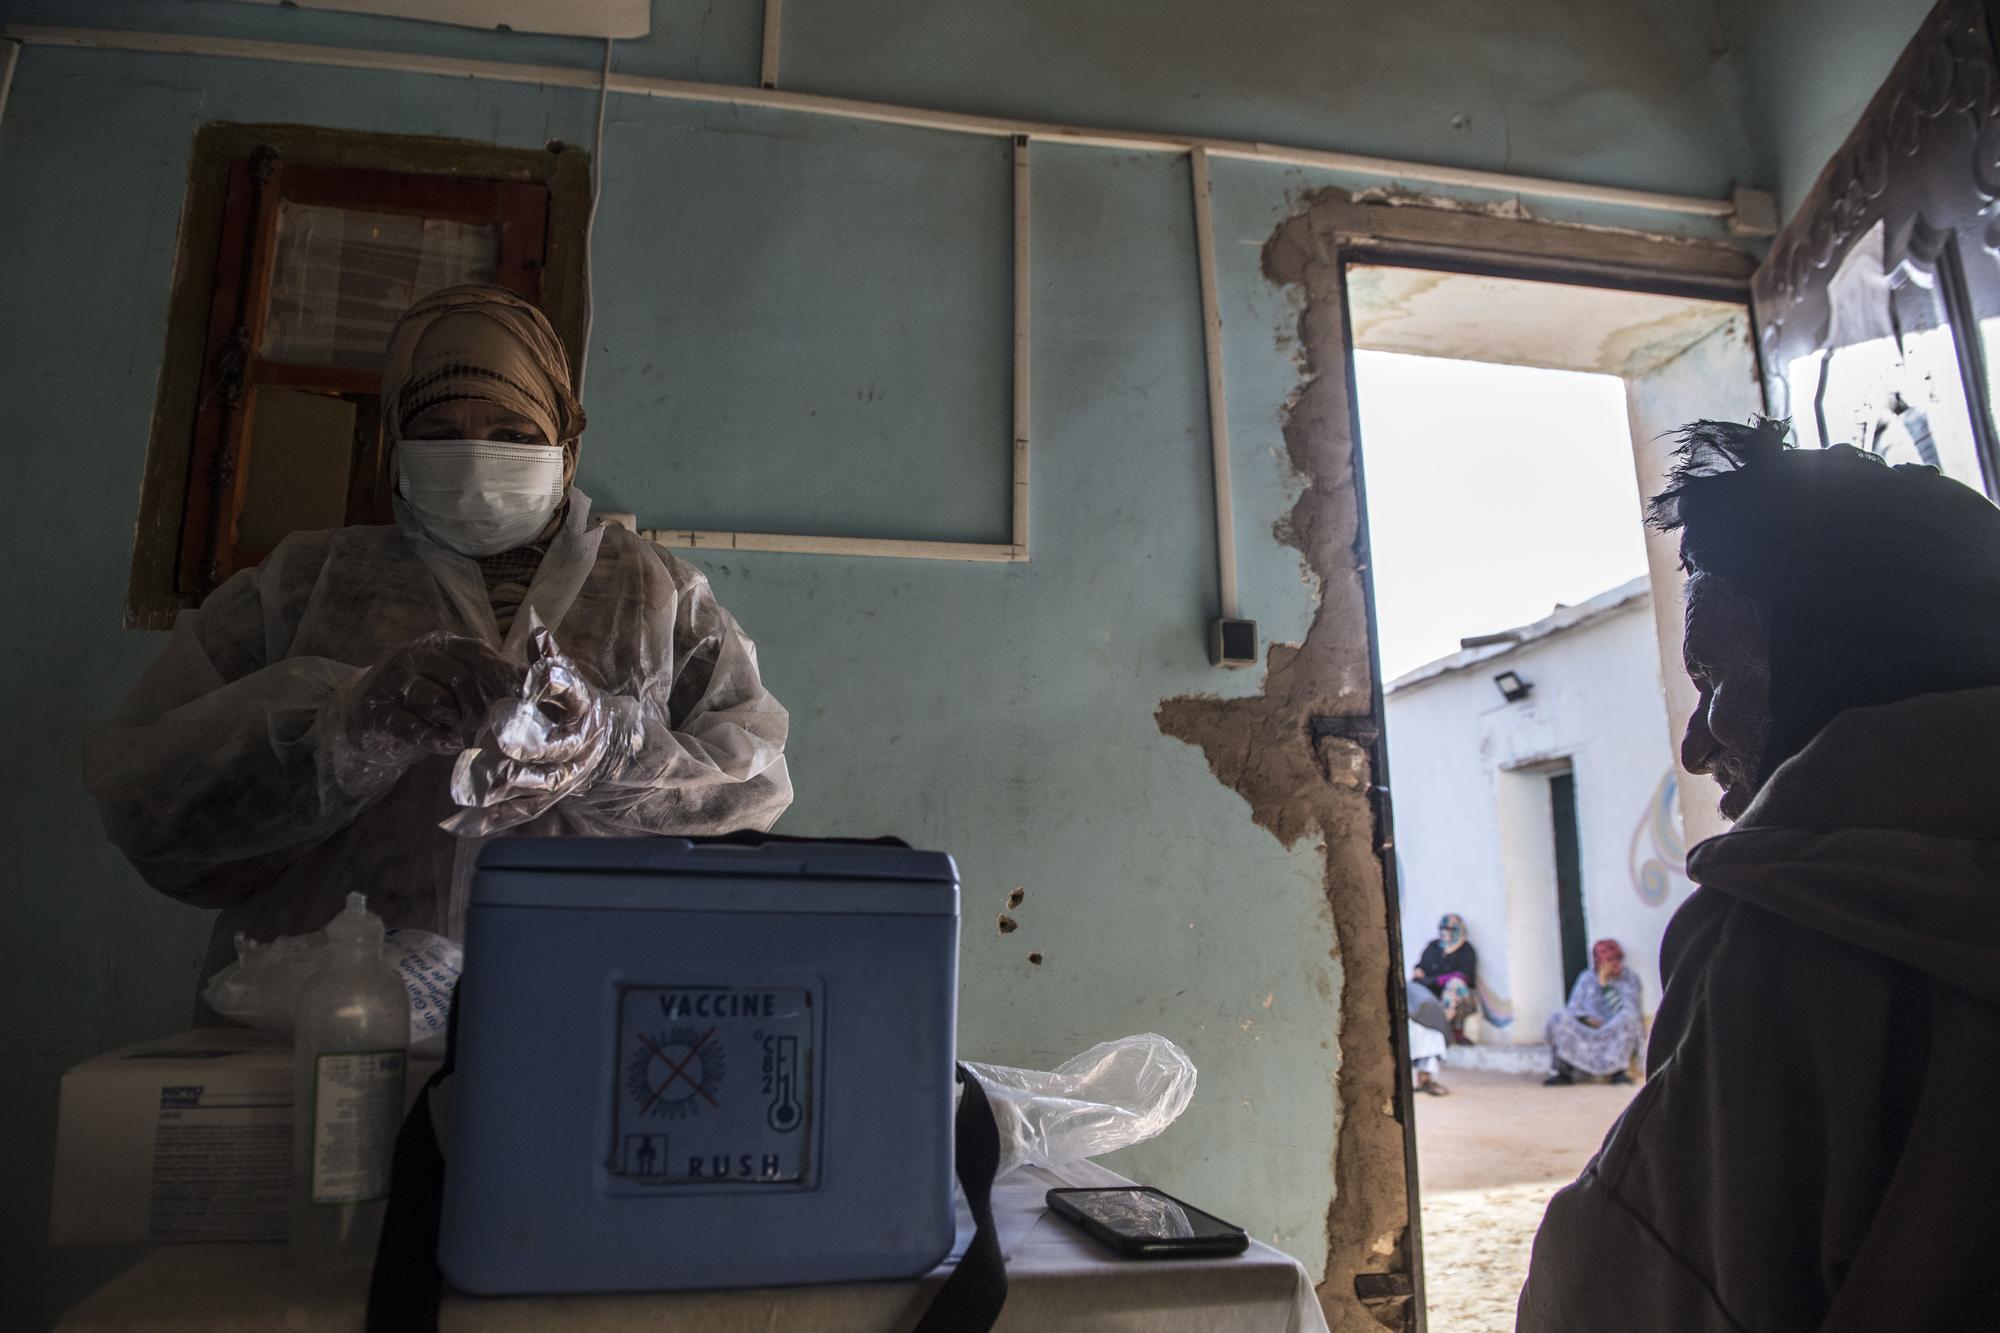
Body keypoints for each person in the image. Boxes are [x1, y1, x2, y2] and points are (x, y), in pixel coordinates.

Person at [88, 286, 793, 990]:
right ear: (395, 447)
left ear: (565, 448)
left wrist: (612, 750)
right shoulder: (306, 581)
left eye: (512, 436)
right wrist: (346, 730)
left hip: (586, 1007)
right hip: (317, 1023)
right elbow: (156, 810)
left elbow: (749, 798)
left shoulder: (654, 593)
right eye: (440, 432)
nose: (477, 458)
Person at [1519, 418, 2000, 1329]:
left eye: (1713, 679)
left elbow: (1630, 1288)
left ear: (1838, 669)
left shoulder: (1792, 937)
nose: (1698, 745)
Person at [1542, 939, 1641, 1086]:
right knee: (1558, 1018)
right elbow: (1574, 1007)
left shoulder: (1629, 979)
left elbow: (1625, 1009)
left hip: (1614, 1028)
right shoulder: (1586, 977)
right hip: (1587, 1028)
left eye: (1612, 959)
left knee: (1628, 1019)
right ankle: (1564, 1072)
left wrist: (1604, 983)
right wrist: (1586, 1019)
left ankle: (1618, 1073)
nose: (1608, 964)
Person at [1412, 913, 1479, 1039]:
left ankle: (1449, 1030)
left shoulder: (1466, 950)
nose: (1445, 932)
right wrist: (1418, 970)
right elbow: (1421, 966)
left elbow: (1464, 975)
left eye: (1450, 929)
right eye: (1443, 928)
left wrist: (1436, 981)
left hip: (1460, 999)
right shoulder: (1433, 947)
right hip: (1433, 992)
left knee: (1455, 985)